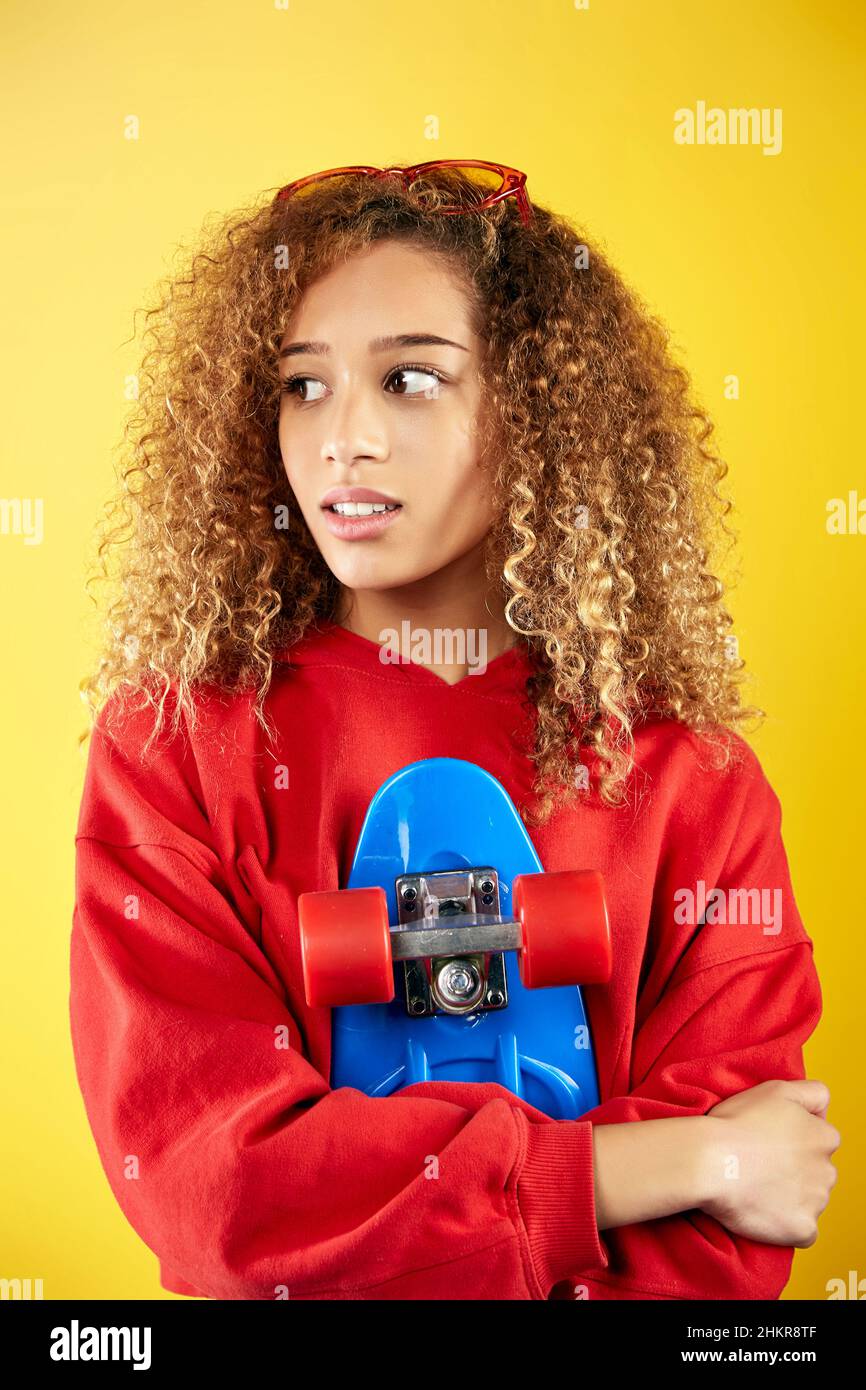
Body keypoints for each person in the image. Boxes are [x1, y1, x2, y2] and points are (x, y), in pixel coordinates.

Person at [70, 162, 839, 1301]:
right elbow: (220, 1197)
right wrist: (666, 1160)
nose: (344, 439)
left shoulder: (690, 777)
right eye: (302, 386)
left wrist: (390, 1206)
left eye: (411, 379)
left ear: (536, 410)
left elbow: (731, 1246)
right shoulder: (174, 745)